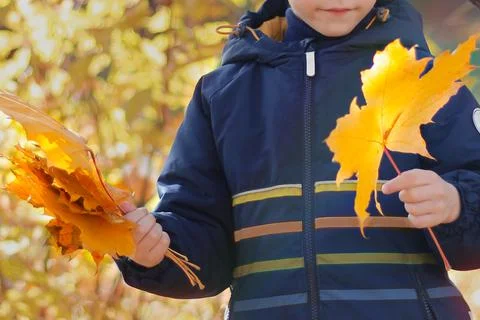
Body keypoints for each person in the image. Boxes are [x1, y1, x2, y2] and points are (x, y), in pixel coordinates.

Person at [115, 0, 480, 319]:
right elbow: (201, 239)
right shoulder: (224, 94)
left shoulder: (424, 81)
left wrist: (456, 204)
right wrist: (157, 254)